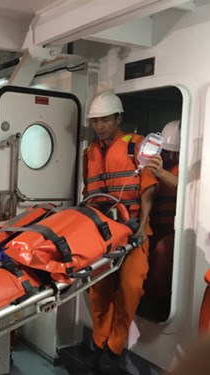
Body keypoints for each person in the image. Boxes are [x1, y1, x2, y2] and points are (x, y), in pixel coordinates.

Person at [81, 90, 157, 373]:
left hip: (134, 230)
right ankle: (99, 344)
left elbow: (148, 188)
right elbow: (87, 192)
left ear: (118, 118)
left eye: (105, 120)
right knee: (98, 291)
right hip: (101, 233)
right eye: (96, 121)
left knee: (131, 287)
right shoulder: (89, 154)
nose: (99, 126)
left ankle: (113, 348)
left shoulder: (136, 146)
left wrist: (144, 227)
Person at [144, 120, 180, 321]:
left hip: (174, 233)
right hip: (153, 229)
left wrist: (160, 172)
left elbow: (183, 186)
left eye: (175, 152)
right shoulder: (151, 164)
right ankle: (151, 304)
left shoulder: (183, 170)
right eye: (167, 151)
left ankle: (162, 307)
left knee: (161, 255)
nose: (171, 156)